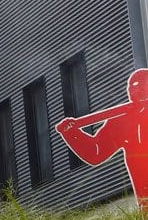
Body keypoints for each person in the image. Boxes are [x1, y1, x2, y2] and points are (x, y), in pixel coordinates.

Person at [56, 68, 148, 210]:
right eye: (132, 86)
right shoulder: (122, 121)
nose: (133, 90)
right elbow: (96, 153)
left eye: (140, 86)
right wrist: (72, 134)